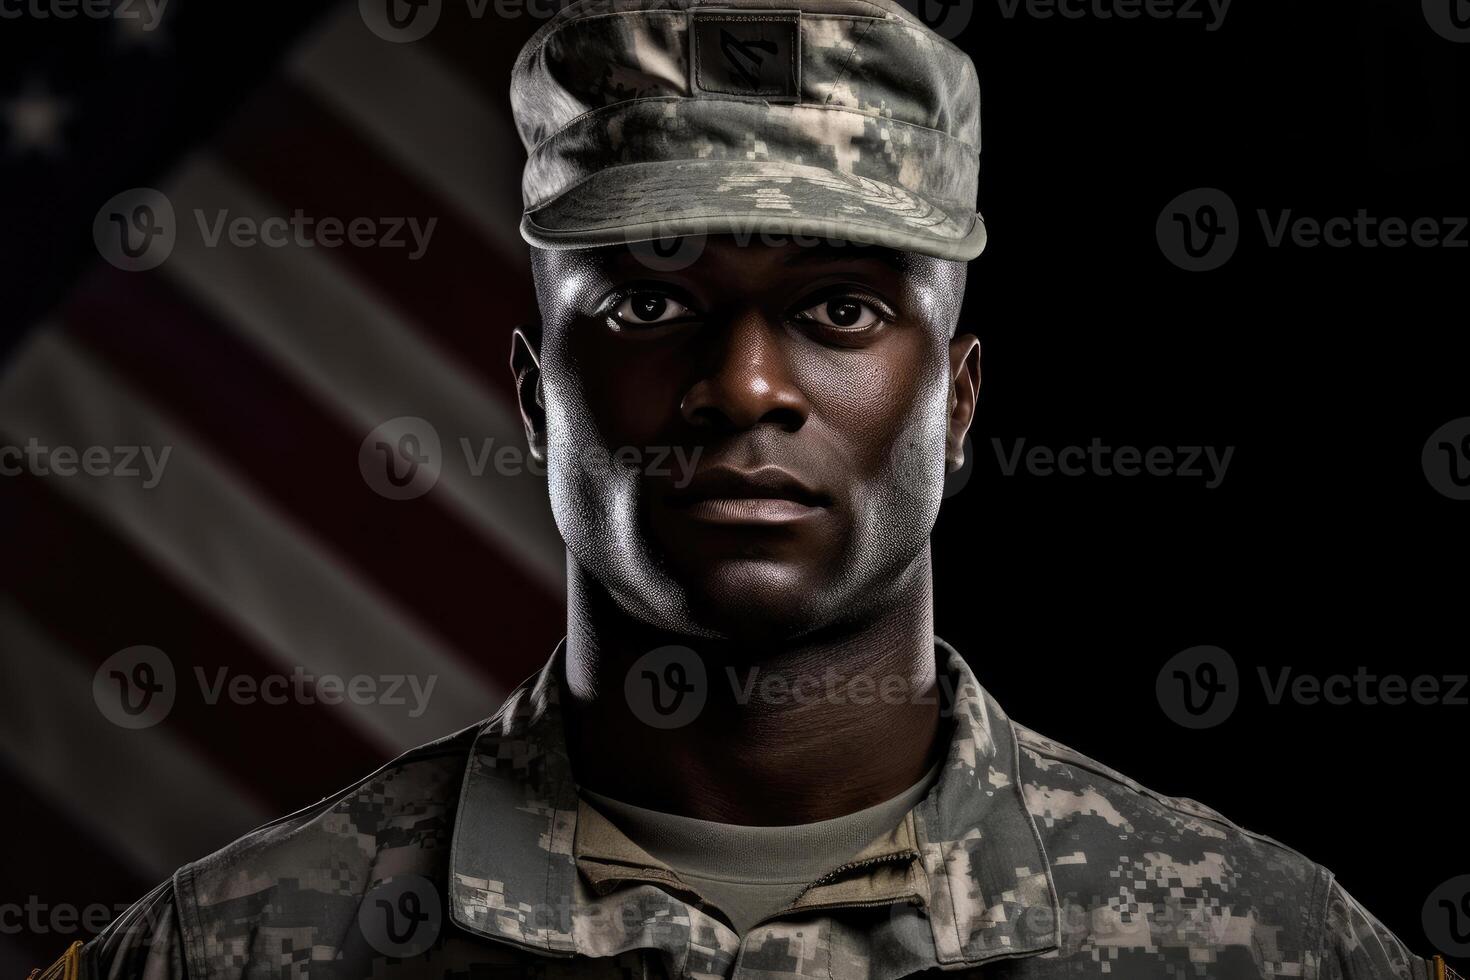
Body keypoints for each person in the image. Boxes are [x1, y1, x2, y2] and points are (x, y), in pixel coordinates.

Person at [35, 0, 1447, 977]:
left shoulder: (1263, 945)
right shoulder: (229, 949)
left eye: (838, 309)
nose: (745, 385)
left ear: (955, 404)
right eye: (650, 309)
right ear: (536, 399)